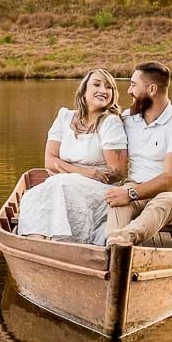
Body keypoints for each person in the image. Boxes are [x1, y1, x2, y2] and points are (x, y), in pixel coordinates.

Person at [17, 69, 128, 244]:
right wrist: (83, 172)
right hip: (63, 182)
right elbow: (50, 161)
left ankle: (63, 243)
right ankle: (36, 243)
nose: (103, 90)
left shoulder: (110, 122)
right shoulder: (65, 117)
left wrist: (70, 171)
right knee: (34, 195)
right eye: (97, 84)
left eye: (109, 87)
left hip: (98, 190)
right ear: (84, 91)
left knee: (60, 184)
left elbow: (119, 172)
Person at [104, 61, 172, 246]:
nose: (129, 91)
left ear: (152, 89)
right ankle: (113, 250)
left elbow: (170, 178)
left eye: (133, 85)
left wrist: (131, 193)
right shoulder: (127, 119)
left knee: (164, 201)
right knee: (115, 202)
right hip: (136, 189)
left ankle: (124, 239)